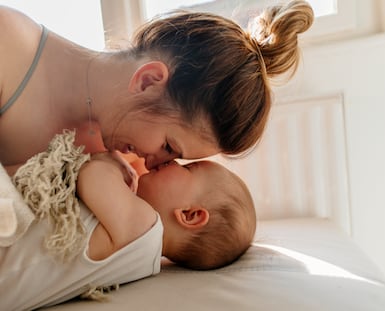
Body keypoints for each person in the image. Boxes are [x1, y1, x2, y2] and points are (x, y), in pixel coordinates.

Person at [0, 1, 314, 178]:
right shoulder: (9, 47)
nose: (152, 165)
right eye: (168, 147)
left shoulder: (112, 158)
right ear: (148, 80)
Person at [1, 131, 256, 310]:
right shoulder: (143, 259)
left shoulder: (145, 228)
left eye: (187, 169)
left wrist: (112, 160)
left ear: (189, 215)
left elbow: (93, 174)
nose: (174, 161)